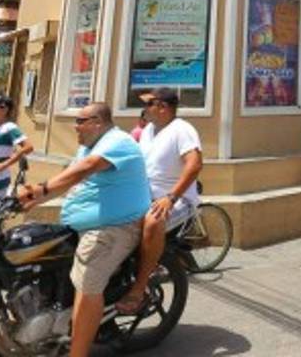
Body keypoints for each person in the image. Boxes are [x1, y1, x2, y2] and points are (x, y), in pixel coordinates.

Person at [18, 102, 150, 357]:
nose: (75, 126)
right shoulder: (88, 146)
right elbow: (70, 177)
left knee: (88, 281)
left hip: (113, 227)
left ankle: (77, 353)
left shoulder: (117, 141)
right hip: (81, 224)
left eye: (80, 121)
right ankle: (14, 334)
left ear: (98, 122)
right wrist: (29, 201)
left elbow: (87, 168)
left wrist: (42, 188)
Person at [117, 89, 203, 315]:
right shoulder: (148, 131)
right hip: (144, 196)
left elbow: (194, 165)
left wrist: (171, 197)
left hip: (178, 199)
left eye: (149, 104)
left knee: (153, 222)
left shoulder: (182, 130)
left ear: (163, 107)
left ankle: (140, 286)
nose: (144, 109)